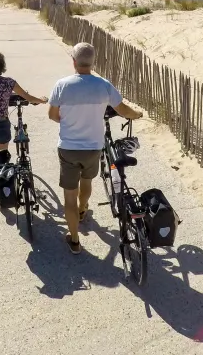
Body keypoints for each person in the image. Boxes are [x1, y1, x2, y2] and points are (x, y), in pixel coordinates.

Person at [48, 42, 142, 254]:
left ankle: (74, 240)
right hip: (93, 148)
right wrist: (136, 114)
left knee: (68, 197)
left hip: (69, 148)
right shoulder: (103, 85)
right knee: (87, 181)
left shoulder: (62, 85)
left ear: (73, 61)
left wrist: (70, 122)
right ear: (93, 62)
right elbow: (123, 109)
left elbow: (53, 115)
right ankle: (83, 210)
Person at [0, 52, 46, 201]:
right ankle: (3, 189)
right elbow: (28, 97)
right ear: (2, 67)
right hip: (1, 124)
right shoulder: (9, 83)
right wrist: (42, 100)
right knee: (2, 160)